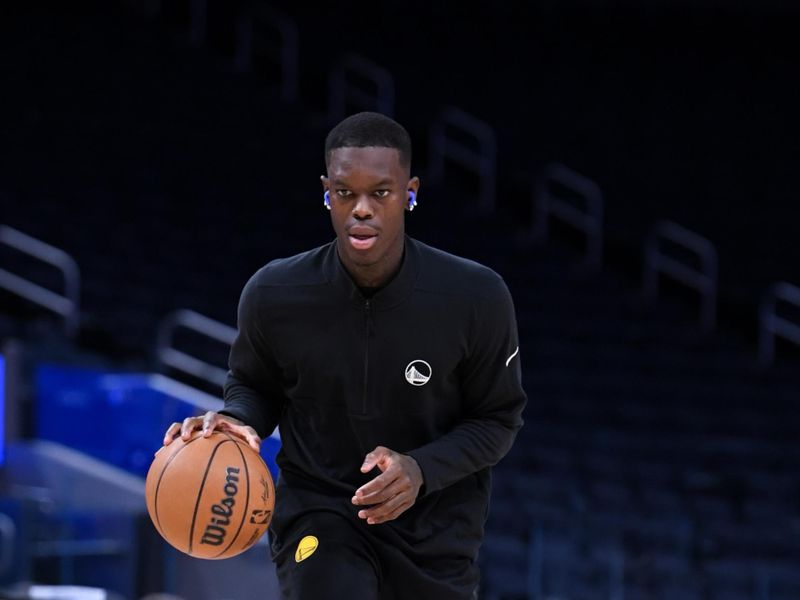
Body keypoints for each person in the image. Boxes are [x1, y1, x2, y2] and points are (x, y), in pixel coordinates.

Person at [163, 112, 527, 599]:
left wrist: (421, 469)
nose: (361, 209)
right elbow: (253, 384)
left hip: (435, 533)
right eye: (344, 192)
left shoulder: (476, 296)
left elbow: (498, 420)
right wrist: (237, 418)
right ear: (325, 193)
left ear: (411, 192)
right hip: (320, 515)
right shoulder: (274, 292)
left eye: (381, 193)